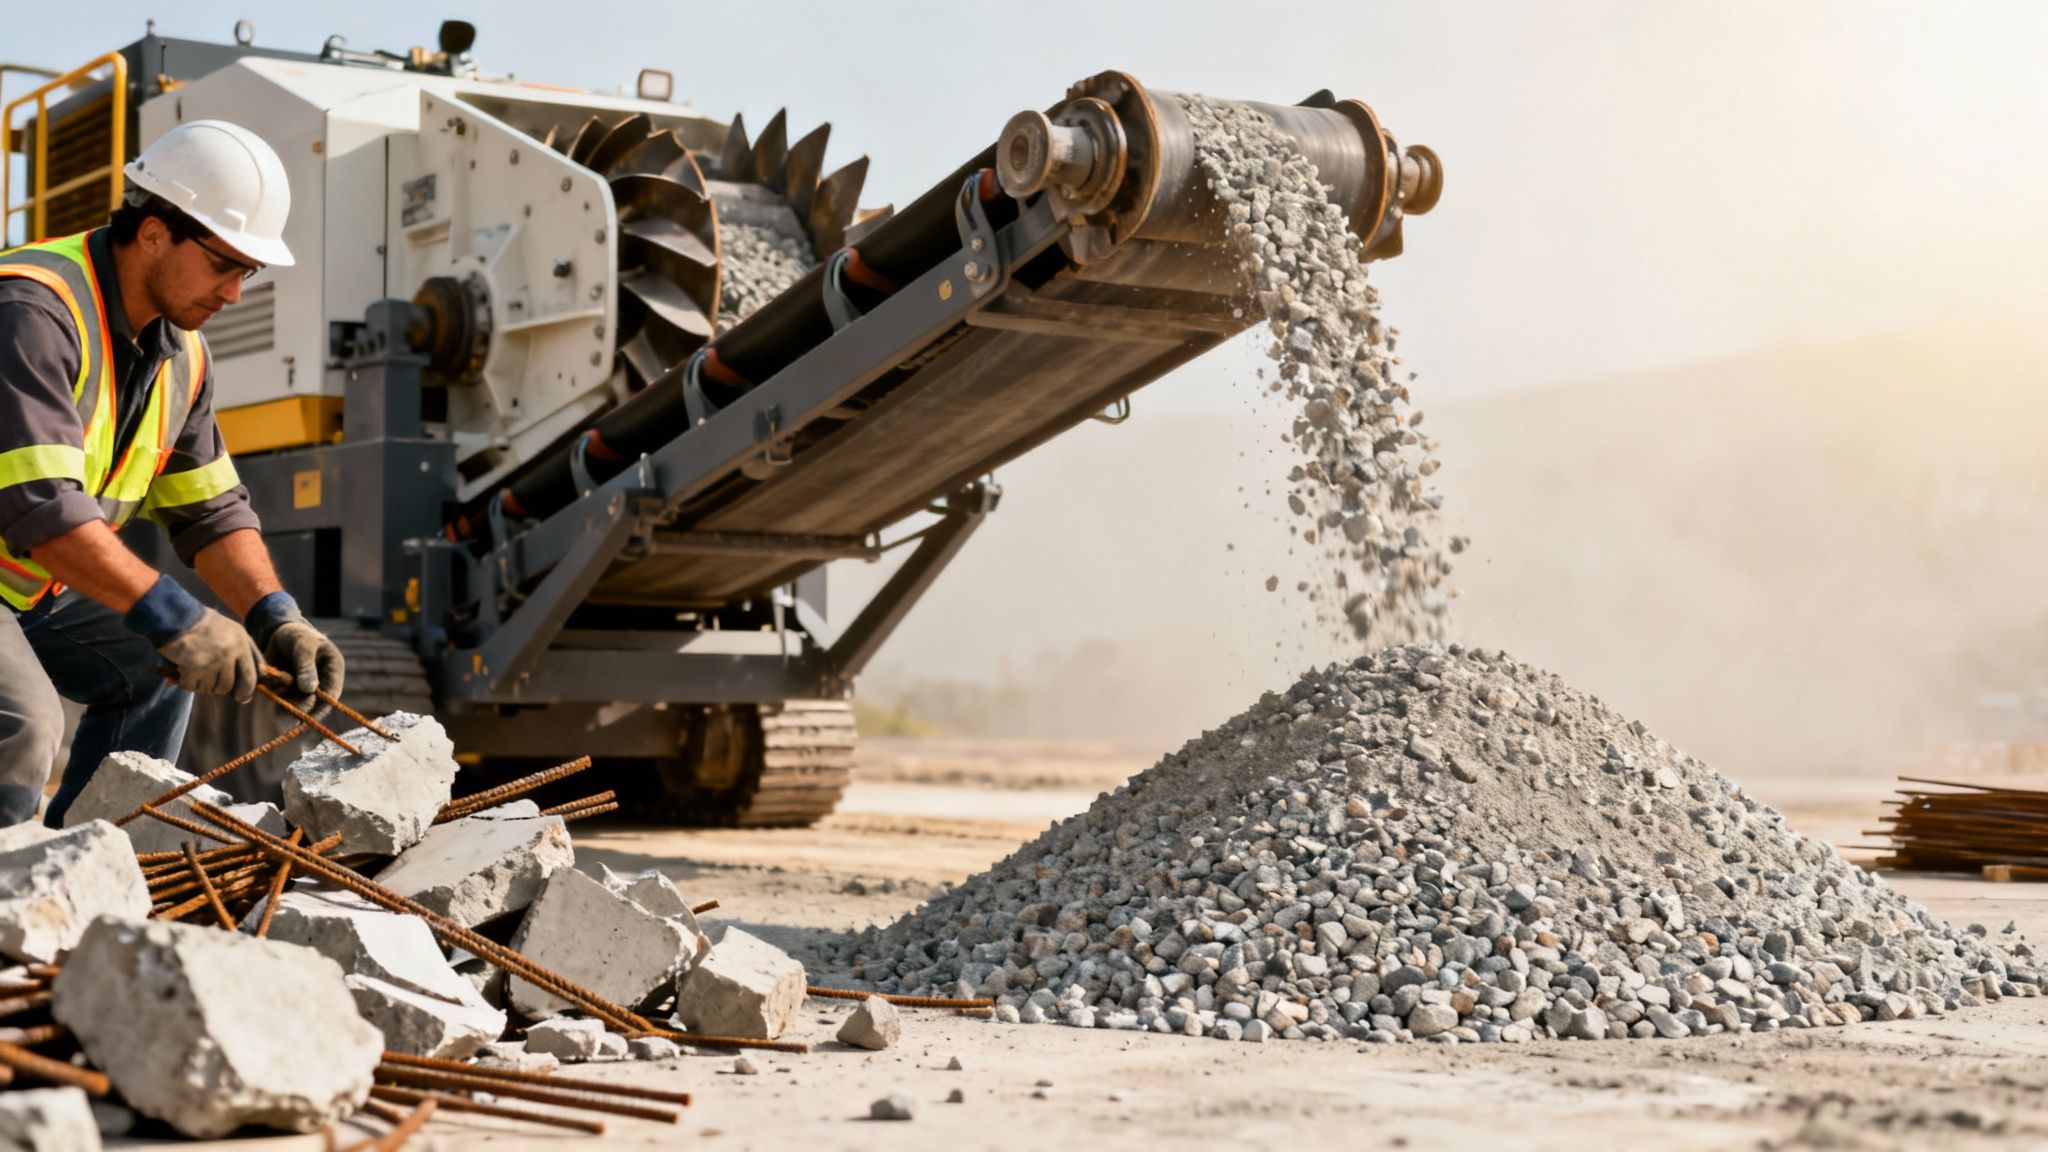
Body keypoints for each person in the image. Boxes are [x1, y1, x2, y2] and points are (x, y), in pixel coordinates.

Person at [0, 119, 343, 827]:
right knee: (26, 726)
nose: (235, 293)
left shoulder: (180, 356)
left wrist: (275, 616)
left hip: (26, 587)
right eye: (226, 265)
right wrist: (176, 614)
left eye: (249, 272)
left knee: (153, 673)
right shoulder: (31, 311)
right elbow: (41, 508)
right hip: (24, 558)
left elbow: (209, 509)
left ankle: (88, 874)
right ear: (154, 231)